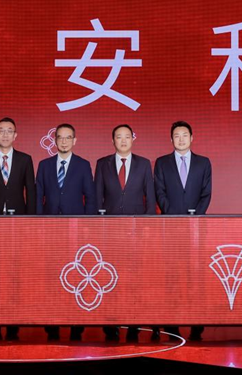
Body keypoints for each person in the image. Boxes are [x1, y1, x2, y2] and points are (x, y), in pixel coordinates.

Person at [94, 124, 155, 342]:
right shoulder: (102, 164)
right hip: (109, 231)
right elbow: (97, 197)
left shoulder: (144, 164)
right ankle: (111, 324)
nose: (123, 140)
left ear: (132, 139)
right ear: (113, 141)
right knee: (109, 277)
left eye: (127, 137)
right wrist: (98, 226)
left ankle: (134, 324)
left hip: (135, 230)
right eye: (119, 137)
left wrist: (147, 226)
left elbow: (150, 198)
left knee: (134, 278)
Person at [0, 117, 36, 341]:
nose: (5, 134)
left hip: (18, 225)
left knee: (15, 274)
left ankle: (13, 324)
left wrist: (30, 223)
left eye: (9, 131)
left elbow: (31, 192)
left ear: (15, 135)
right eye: (1, 131)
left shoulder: (25, 159)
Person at [36, 124, 96, 341]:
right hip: (50, 229)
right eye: (60, 137)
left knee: (75, 275)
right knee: (52, 275)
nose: (63, 141)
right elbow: (38, 196)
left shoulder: (83, 165)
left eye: (68, 137)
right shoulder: (44, 165)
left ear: (74, 141)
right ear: (54, 140)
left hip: (76, 230)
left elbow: (90, 197)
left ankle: (76, 325)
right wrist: (39, 224)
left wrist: (87, 226)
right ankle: (51, 324)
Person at [154, 121, 212, 342]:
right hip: (171, 228)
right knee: (171, 277)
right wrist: (174, 217)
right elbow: (160, 192)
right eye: (176, 136)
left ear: (191, 138)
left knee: (196, 276)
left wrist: (194, 218)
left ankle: (197, 324)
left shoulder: (203, 163)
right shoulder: (162, 163)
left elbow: (206, 194)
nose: (181, 139)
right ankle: (172, 324)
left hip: (196, 229)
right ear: (171, 139)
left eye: (184, 135)